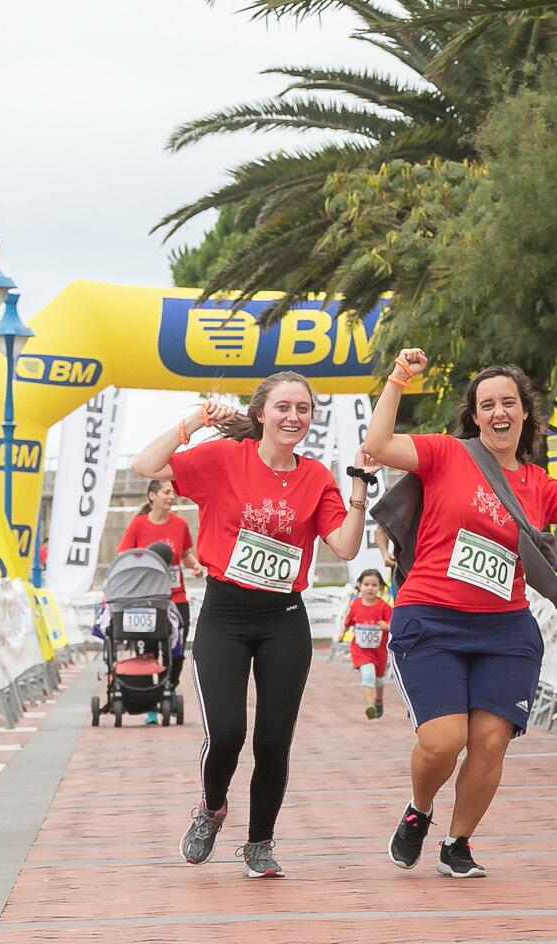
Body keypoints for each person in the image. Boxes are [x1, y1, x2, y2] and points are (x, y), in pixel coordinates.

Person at [360, 348, 557, 879]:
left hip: (505, 630)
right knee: (444, 738)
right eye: (487, 405)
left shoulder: (540, 485)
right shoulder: (446, 454)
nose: (499, 412)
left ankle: (458, 843)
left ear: (525, 413)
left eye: (509, 402)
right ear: (474, 416)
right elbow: (377, 445)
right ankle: (419, 810)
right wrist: (398, 379)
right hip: (431, 619)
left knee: (491, 740)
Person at [130, 374, 369, 879]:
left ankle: (260, 842)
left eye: (303, 409)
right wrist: (195, 421)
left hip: (283, 619)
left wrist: (358, 489)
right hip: (225, 615)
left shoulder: (316, 477)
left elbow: (345, 546)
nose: (294, 417)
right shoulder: (223, 461)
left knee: (273, 741)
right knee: (228, 732)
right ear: (262, 414)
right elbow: (144, 466)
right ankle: (212, 808)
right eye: (283, 407)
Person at [116, 481, 199, 690]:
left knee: (178, 645)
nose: (172, 496)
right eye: (166, 492)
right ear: (152, 496)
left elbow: (186, 554)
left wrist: (196, 566)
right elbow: (123, 556)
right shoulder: (138, 524)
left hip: (175, 596)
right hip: (147, 597)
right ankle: (150, 695)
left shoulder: (180, 525)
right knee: (148, 648)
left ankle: (170, 684)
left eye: (173, 492)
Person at [344, 568, 394, 718]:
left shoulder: (385, 607)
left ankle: (378, 700)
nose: (370, 588)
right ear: (359, 585)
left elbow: (394, 624)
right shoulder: (355, 604)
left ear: (380, 587)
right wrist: (342, 632)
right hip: (361, 650)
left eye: (374, 585)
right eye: (366, 584)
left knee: (378, 680)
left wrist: (387, 626)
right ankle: (370, 706)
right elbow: (348, 621)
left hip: (378, 652)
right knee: (368, 675)